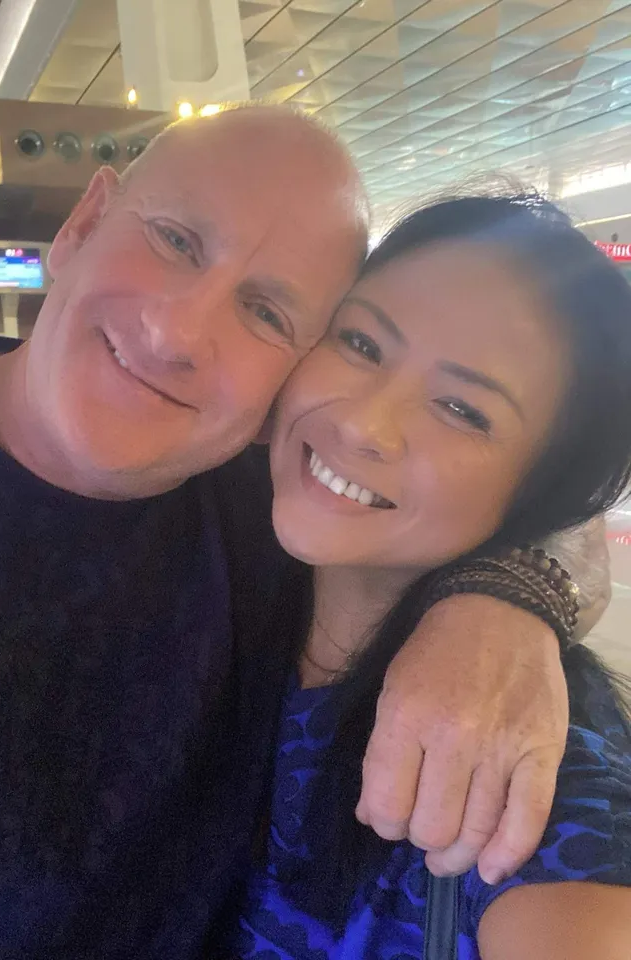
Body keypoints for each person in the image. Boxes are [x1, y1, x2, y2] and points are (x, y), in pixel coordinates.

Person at [0, 106, 603, 958]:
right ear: (83, 224)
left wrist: (502, 601)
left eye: (268, 314)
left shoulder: (274, 506)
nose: (177, 334)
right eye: (175, 240)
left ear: (293, 370)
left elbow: (544, 496)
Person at [228, 193, 631, 960]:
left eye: (461, 408)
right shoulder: (216, 566)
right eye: (361, 342)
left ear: (542, 492)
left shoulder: (521, 755)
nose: (363, 423)